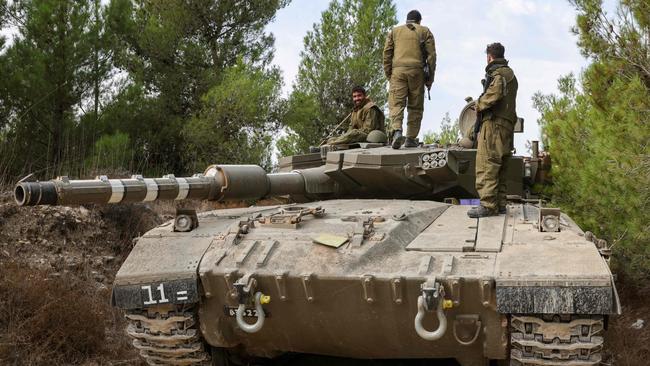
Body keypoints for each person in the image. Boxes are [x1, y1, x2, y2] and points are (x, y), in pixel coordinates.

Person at [467, 43, 518, 218]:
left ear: (489, 57)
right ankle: (500, 204)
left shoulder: (498, 74)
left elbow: (494, 95)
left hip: (494, 124)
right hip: (506, 125)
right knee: (501, 164)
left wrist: (479, 104)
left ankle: (488, 205)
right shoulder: (510, 75)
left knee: (487, 163)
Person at [383, 9, 436, 149]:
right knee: (415, 106)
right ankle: (411, 138)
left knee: (396, 104)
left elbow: (387, 54)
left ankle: (397, 131)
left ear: (407, 20)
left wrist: (390, 74)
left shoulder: (394, 31)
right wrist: (430, 79)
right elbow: (431, 57)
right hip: (417, 72)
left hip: (397, 71)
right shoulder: (425, 31)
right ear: (419, 21)